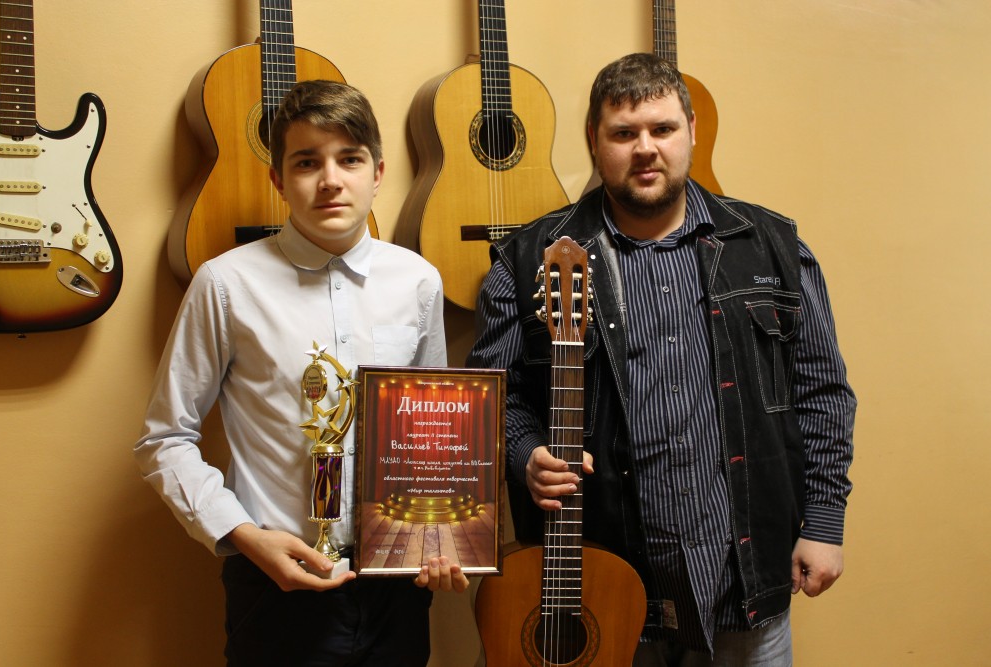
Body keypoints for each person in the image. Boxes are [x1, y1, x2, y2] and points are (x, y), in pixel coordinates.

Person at [467, 53, 855, 665]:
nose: (645, 148)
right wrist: (524, 455)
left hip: (744, 581)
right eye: (624, 133)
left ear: (691, 131)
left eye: (662, 128)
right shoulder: (527, 259)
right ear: (594, 140)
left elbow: (822, 393)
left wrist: (824, 522)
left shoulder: (772, 246)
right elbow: (494, 395)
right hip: (604, 587)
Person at [135, 79, 467, 666]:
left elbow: (431, 438)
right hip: (274, 583)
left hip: (395, 586)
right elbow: (164, 439)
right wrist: (243, 537)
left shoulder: (418, 280)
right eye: (307, 162)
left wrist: (439, 535)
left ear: (378, 172)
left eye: (350, 159)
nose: (330, 180)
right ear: (278, 179)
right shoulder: (226, 284)